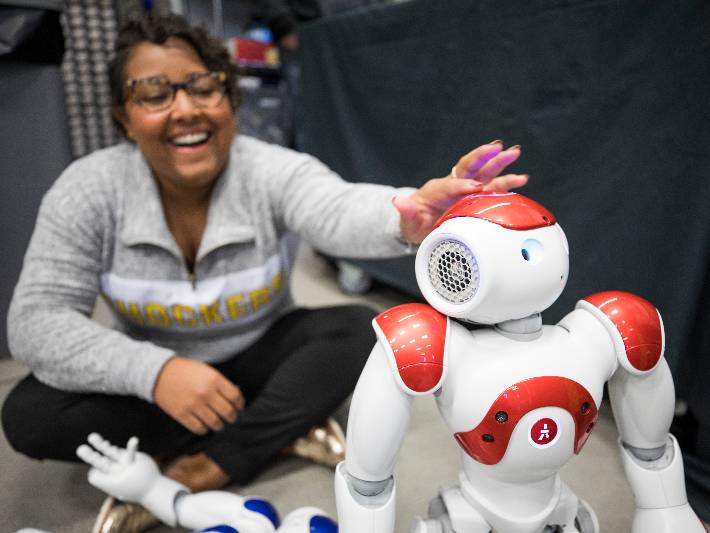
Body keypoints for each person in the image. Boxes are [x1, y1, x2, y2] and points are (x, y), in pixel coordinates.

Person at [0, 13, 527, 533]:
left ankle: (212, 460)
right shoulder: (87, 190)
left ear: (230, 100)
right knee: (28, 414)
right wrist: (157, 374)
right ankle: (271, 424)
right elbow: (36, 321)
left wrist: (405, 213)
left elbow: (335, 206)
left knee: (357, 331)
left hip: (259, 354)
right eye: (155, 94)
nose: (185, 110)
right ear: (124, 116)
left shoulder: (270, 169)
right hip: (157, 378)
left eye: (204, 87)